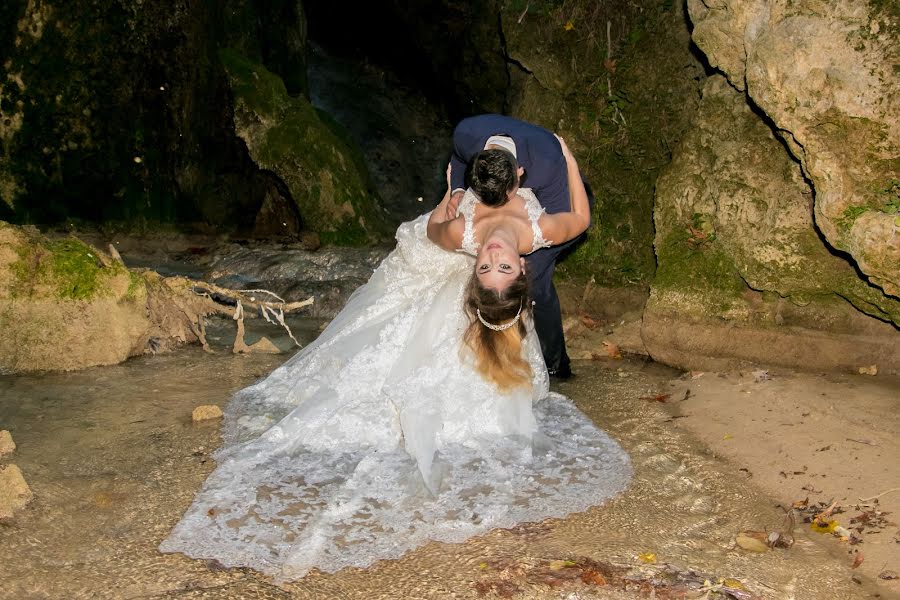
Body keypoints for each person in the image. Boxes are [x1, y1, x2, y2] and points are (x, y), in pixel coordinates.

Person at [159, 136, 630, 582]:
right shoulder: (532, 233)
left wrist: (449, 204)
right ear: (521, 267)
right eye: (498, 266)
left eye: (487, 268)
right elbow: (580, 218)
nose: (490, 257)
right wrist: (569, 160)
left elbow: (432, 230)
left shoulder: (466, 235)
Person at [448, 114, 595, 379]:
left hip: (565, 204)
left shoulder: (546, 161)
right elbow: (459, 160)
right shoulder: (465, 134)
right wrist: (458, 190)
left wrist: (520, 242)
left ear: (520, 174)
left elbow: (572, 218)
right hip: (504, 212)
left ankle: (555, 365)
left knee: (534, 278)